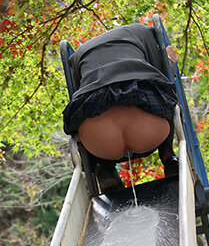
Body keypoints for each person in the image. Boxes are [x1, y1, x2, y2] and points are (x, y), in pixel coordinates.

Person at [63, 22, 179, 191]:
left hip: (99, 140)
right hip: (147, 127)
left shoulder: (77, 55)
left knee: (88, 108)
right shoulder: (145, 32)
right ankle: (168, 157)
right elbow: (165, 75)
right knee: (165, 98)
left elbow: (78, 94)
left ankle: (104, 169)